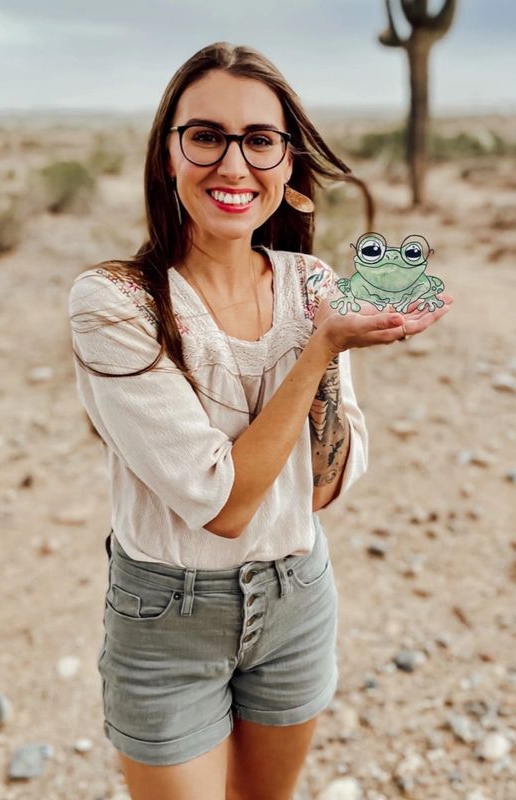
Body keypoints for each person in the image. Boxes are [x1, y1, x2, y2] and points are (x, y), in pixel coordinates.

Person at [68, 41, 452, 800]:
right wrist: (319, 353)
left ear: (288, 168)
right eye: (206, 135)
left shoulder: (313, 286)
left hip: (297, 597)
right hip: (165, 615)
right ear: (167, 156)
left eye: (259, 140)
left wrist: (329, 345)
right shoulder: (116, 302)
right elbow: (225, 504)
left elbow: (321, 488)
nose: (233, 165)